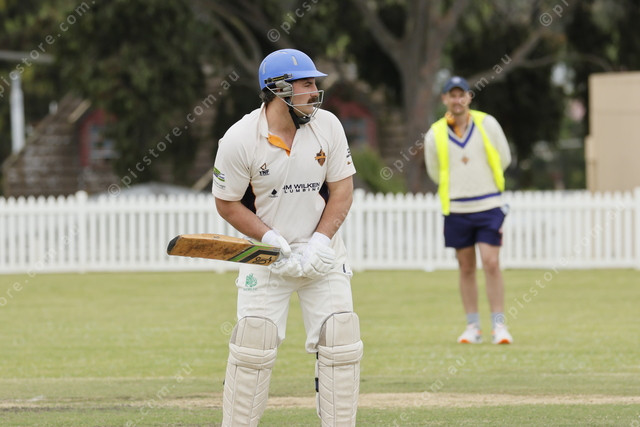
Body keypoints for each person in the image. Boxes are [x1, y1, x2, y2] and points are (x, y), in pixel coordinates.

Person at [212, 48, 362, 426]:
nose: (315, 91)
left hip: (322, 256)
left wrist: (320, 242)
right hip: (267, 257)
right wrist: (271, 240)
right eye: (306, 83)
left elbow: (342, 190)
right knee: (253, 344)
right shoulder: (239, 139)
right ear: (279, 89)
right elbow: (227, 203)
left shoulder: (328, 126)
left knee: (341, 338)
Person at [424, 76, 513, 345]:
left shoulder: (487, 124)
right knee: (466, 267)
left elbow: (504, 158)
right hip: (456, 208)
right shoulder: (435, 133)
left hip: (489, 204)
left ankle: (499, 326)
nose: (457, 100)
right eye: (452, 95)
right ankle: (473, 326)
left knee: (491, 263)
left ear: (469, 97)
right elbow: (434, 171)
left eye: (461, 94)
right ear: (444, 99)